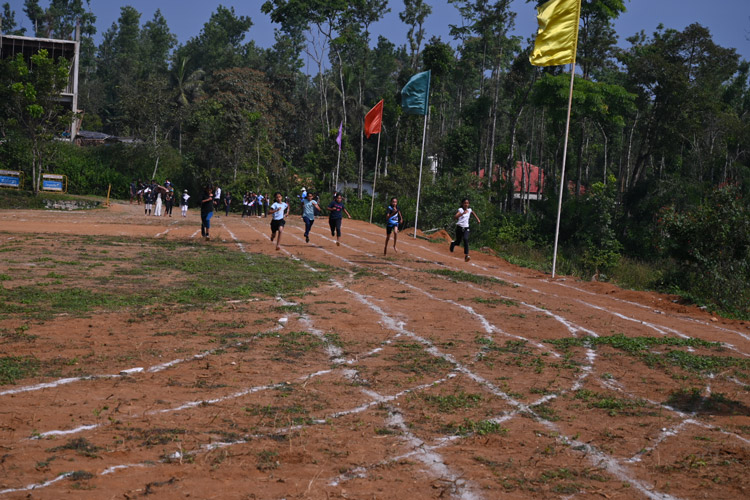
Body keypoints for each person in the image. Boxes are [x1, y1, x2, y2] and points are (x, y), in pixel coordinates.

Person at [450, 198, 481, 262]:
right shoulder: (460, 210)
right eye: (465, 203)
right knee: (458, 242)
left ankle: (467, 255)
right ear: (462, 204)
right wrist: (462, 213)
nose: (466, 204)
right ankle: (453, 244)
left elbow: (473, 212)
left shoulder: (469, 210)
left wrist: (478, 219)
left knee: (465, 239)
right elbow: (455, 217)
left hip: (466, 228)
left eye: (467, 203)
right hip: (459, 227)